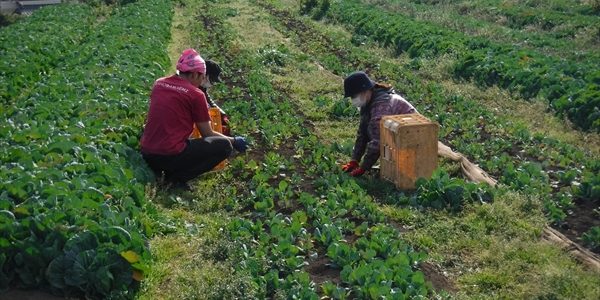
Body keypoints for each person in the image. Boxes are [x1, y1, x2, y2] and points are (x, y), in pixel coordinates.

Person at [140, 48, 248, 190]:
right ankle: (175, 180)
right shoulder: (195, 94)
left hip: (147, 153)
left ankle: (162, 172)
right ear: (195, 74)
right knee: (224, 146)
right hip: (168, 155)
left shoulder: (159, 83)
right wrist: (234, 141)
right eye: (202, 76)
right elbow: (207, 134)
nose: (203, 80)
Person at [341, 71, 416, 177]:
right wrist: (355, 160)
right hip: (400, 138)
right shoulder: (369, 102)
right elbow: (363, 133)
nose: (354, 100)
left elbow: (378, 141)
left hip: (414, 140)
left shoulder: (381, 107)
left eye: (354, 96)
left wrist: (364, 168)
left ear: (365, 91)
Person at [201, 59, 231, 136]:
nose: (212, 83)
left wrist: (222, 114)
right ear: (205, 75)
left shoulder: (202, 87)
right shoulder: (193, 87)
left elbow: (209, 100)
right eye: (212, 80)